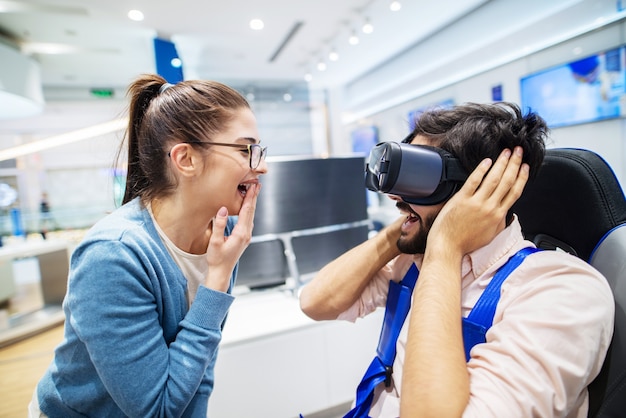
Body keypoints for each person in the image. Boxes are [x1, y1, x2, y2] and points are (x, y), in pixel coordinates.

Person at [299, 102, 614, 417]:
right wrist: (406, 226)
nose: (394, 197)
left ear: (481, 187)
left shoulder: (559, 292)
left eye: (414, 179)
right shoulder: (412, 261)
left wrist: (446, 246)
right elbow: (318, 302)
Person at [31, 74, 267, 417]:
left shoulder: (223, 232)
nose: (262, 165)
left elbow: (201, 366)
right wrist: (216, 279)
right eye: (246, 149)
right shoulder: (112, 255)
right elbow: (156, 410)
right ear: (185, 159)